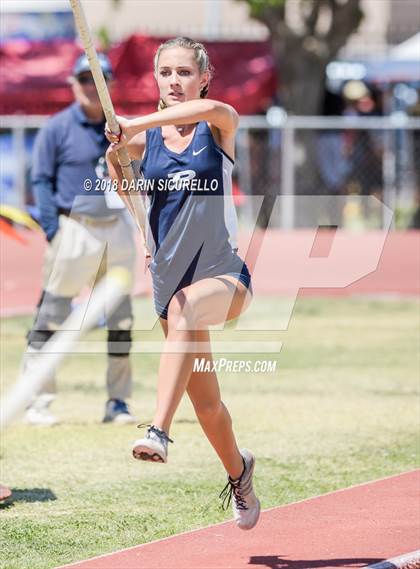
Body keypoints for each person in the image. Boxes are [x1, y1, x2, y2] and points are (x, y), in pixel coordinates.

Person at [106, 37, 260, 531]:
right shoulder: (141, 143)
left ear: (203, 77)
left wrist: (133, 122)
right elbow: (119, 175)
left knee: (187, 307)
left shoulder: (217, 127)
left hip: (223, 276)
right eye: (166, 73)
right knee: (209, 404)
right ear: (157, 78)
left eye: (184, 73)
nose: (174, 82)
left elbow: (216, 109)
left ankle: (158, 431)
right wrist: (139, 224)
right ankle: (240, 474)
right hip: (169, 282)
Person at [23, 53, 137, 426]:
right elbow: (40, 179)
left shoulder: (120, 129)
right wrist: (55, 231)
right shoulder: (57, 128)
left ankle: (118, 402)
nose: (91, 86)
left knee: (121, 318)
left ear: (110, 85)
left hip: (117, 228)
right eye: (84, 80)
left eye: (98, 79)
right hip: (75, 227)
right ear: (73, 84)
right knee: (52, 315)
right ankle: (38, 401)